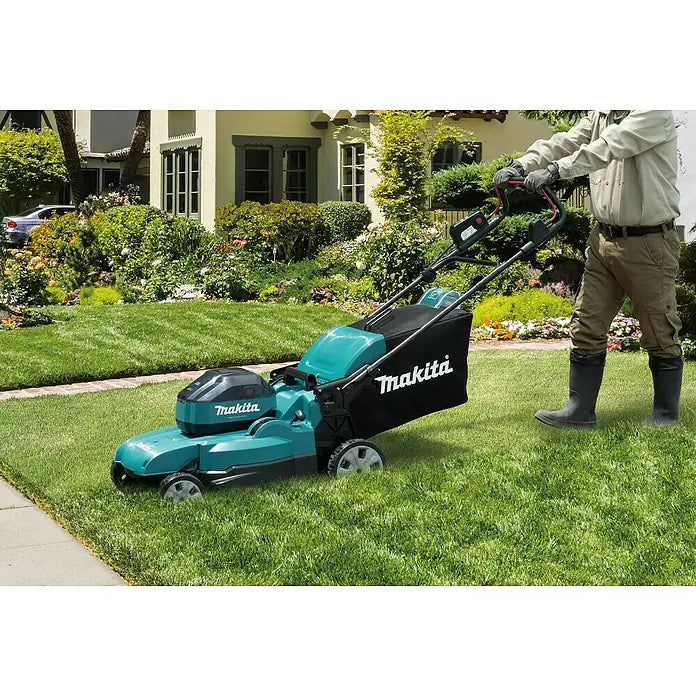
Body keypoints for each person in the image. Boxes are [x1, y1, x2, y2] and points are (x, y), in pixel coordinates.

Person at [494, 110, 682, 428]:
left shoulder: (653, 112)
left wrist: (555, 170)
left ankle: (665, 415)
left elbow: (607, 146)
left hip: (648, 243)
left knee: (658, 328)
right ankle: (580, 411)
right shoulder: (601, 113)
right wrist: (522, 164)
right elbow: (565, 141)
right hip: (603, 240)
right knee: (586, 323)